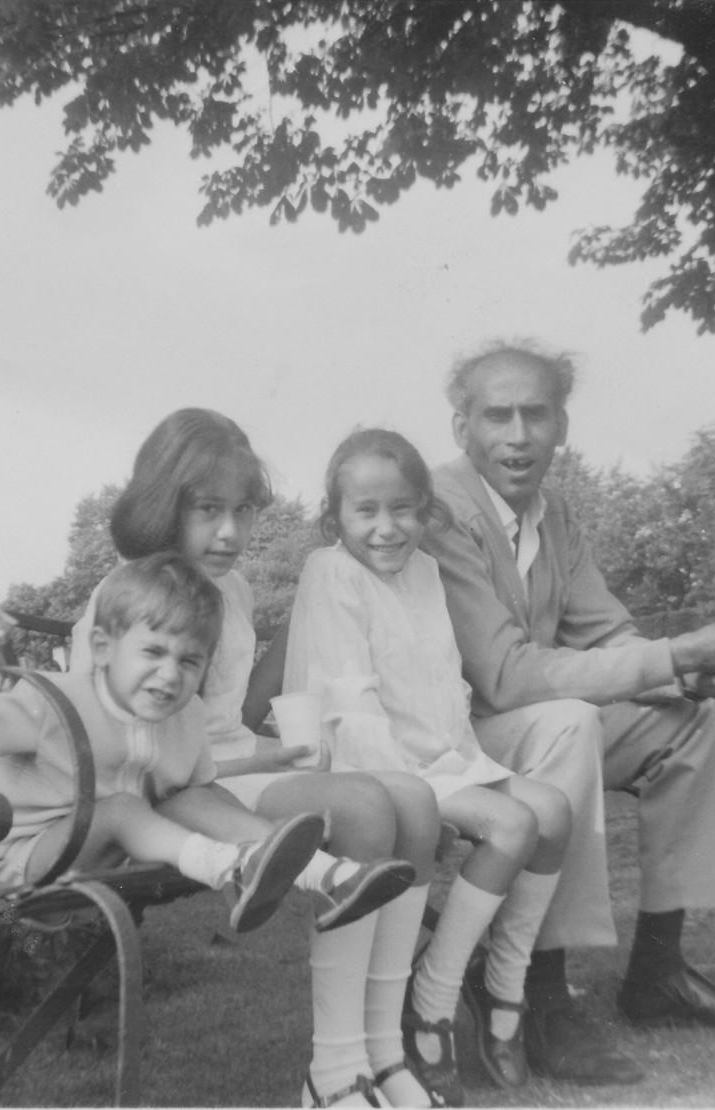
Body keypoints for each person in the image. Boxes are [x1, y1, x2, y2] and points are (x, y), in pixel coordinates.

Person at [420, 343, 715, 1086]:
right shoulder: (439, 511)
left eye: (537, 414)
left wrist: (702, 674)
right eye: (498, 416)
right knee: (568, 722)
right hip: (441, 741)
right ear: (462, 427)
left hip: (512, 732)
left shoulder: (554, 515)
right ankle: (539, 993)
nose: (519, 435)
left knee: (686, 727)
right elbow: (505, 675)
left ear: (563, 425)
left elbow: (609, 635)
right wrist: (681, 654)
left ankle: (658, 972)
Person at [70, 409, 442, 1109]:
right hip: (163, 801)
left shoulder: (233, 590)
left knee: (415, 801)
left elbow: (223, 726)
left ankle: (384, 1055)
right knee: (360, 804)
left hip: (225, 773)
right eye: (209, 511)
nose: (232, 533)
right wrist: (269, 760)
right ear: (162, 505)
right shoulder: (128, 596)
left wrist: (284, 749)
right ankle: (333, 1074)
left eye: (243, 512)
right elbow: (137, 756)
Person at [283, 428, 573, 1102]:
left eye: (404, 509)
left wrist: (465, 763)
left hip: (444, 754)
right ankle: (434, 1000)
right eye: (366, 512)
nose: (387, 529)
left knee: (552, 812)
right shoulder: (332, 573)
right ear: (336, 519)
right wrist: (422, 791)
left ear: (425, 511)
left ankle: (503, 983)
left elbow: (441, 683)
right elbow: (349, 706)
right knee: (507, 826)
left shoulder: (426, 571)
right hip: (375, 767)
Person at [0, 553, 335, 933]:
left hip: (103, 857)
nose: (170, 674)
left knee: (189, 796)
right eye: (153, 652)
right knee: (122, 809)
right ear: (102, 648)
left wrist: (255, 828)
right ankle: (228, 864)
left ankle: (329, 876)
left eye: (190, 661)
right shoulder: (57, 700)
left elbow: (202, 794)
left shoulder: (184, 715)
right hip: (19, 867)